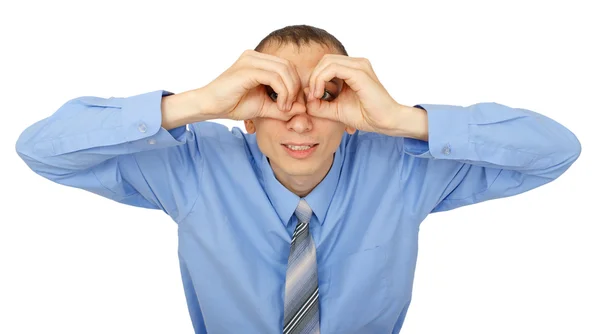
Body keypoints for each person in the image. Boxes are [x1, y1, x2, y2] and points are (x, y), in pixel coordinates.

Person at [15, 24, 581, 334]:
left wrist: (403, 119)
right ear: (246, 108)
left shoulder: (400, 164)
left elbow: (555, 151)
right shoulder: (193, 166)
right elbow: (42, 150)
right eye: (275, 96)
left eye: (327, 96)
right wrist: (194, 103)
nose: (302, 118)